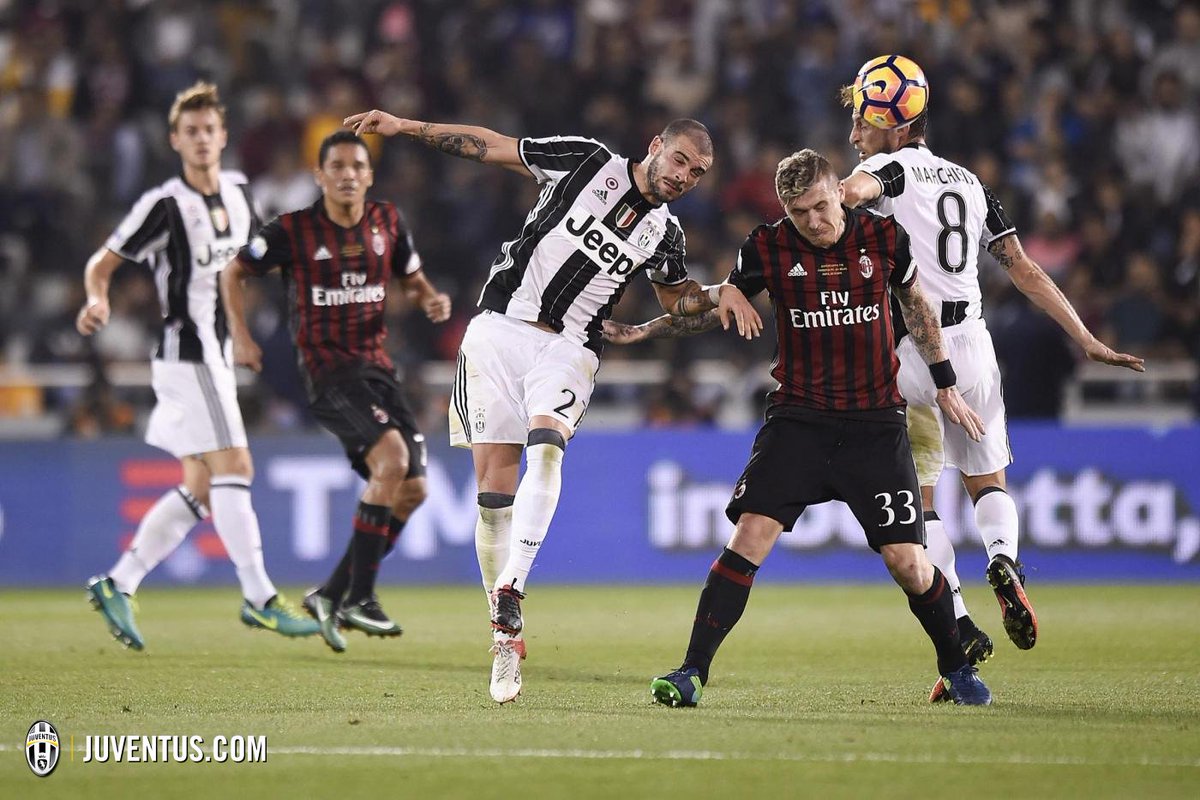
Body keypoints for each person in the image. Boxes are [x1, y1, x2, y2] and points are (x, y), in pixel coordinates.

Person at [344, 108, 759, 702]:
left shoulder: (665, 235)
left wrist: (719, 293)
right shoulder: (585, 160)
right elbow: (492, 145)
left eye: (697, 172)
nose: (684, 176)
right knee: (493, 498)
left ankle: (512, 586)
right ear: (655, 145)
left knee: (546, 448)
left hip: (569, 348)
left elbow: (678, 299)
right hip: (498, 331)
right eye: (680, 160)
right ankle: (504, 640)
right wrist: (405, 127)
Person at [606, 148, 995, 706]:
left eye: (819, 207)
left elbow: (916, 307)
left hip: (873, 425)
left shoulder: (884, 237)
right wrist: (645, 330)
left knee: (909, 563)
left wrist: (945, 381)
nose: (812, 221)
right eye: (797, 212)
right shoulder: (767, 247)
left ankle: (956, 668)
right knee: (749, 538)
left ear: (839, 192)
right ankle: (691, 672)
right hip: (799, 421)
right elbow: (716, 307)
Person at [838, 57, 1145, 698]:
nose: (855, 133)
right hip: (973, 345)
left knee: (918, 504)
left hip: (910, 351)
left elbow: (849, 196)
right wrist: (1085, 338)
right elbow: (1024, 269)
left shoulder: (886, 169)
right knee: (988, 482)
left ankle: (956, 619)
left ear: (897, 126)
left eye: (863, 119)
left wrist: (826, 205)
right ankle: (1003, 560)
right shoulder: (973, 184)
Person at [78, 82, 319, 649]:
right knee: (237, 464)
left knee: (203, 487)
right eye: (191, 132)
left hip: (215, 356)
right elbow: (101, 263)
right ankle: (260, 598)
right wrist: (97, 299)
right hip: (189, 354)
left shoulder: (239, 192)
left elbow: (252, 261)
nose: (202, 139)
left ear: (224, 135)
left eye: (210, 129)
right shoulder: (164, 205)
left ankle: (119, 582)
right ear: (175, 140)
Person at [221, 130, 452, 654]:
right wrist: (240, 334)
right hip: (328, 373)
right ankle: (360, 599)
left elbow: (412, 277)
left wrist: (429, 298)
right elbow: (234, 271)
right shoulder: (293, 230)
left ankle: (330, 594)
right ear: (319, 175)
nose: (348, 174)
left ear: (369, 175)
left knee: (414, 491)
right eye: (337, 166)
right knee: (391, 462)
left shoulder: (387, 221)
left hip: (378, 371)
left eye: (357, 166)